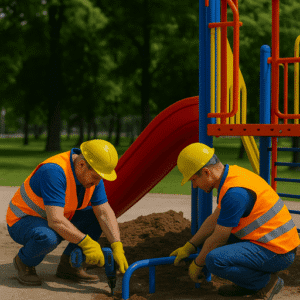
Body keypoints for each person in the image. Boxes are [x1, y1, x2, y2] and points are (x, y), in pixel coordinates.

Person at [170, 142, 299, 300]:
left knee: (214, 260)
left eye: (193, 180)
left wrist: (197, 264)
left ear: (206, 172)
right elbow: (214, 220)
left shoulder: (235, 194)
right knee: (206, 244)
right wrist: (190, 245)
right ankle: (249, 283)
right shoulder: (232, 175)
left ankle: (265, 282)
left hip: (278, 252)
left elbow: (219, 238)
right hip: (273, 243)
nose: (195, 186)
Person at [6, 139, 128, 286]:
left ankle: (69, 266)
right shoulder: (54, 171)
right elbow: (55, 221)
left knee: (95, 218)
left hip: (56, 216)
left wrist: (117, 245)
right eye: (96, 177)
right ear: (81, 164)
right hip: (23, 220)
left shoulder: (92, 171)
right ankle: (24, 262)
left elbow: (103, 212)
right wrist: (87, 243)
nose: (97, 183)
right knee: (49, 237)